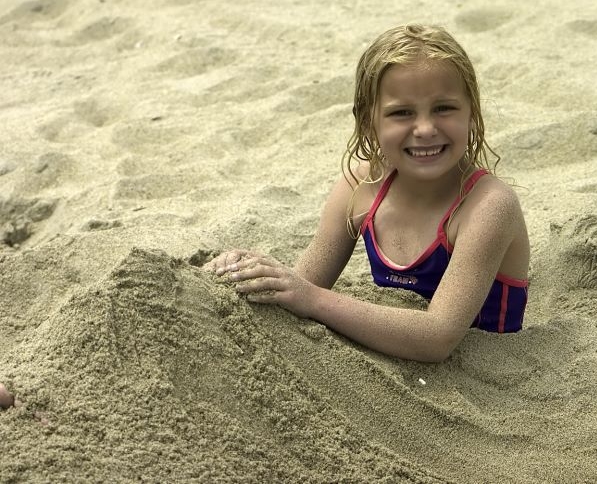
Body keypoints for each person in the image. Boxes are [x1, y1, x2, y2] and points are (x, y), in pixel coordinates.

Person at [204, 24, 530, 362]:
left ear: (472, 112)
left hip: (489, 378)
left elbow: (438, 337)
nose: (425, 129)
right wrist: (247, 272)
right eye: (401, 113)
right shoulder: (362, 187)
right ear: (367, 122)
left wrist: (311, 298)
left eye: (444, 108)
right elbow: (301, 284)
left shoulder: (488, 206)